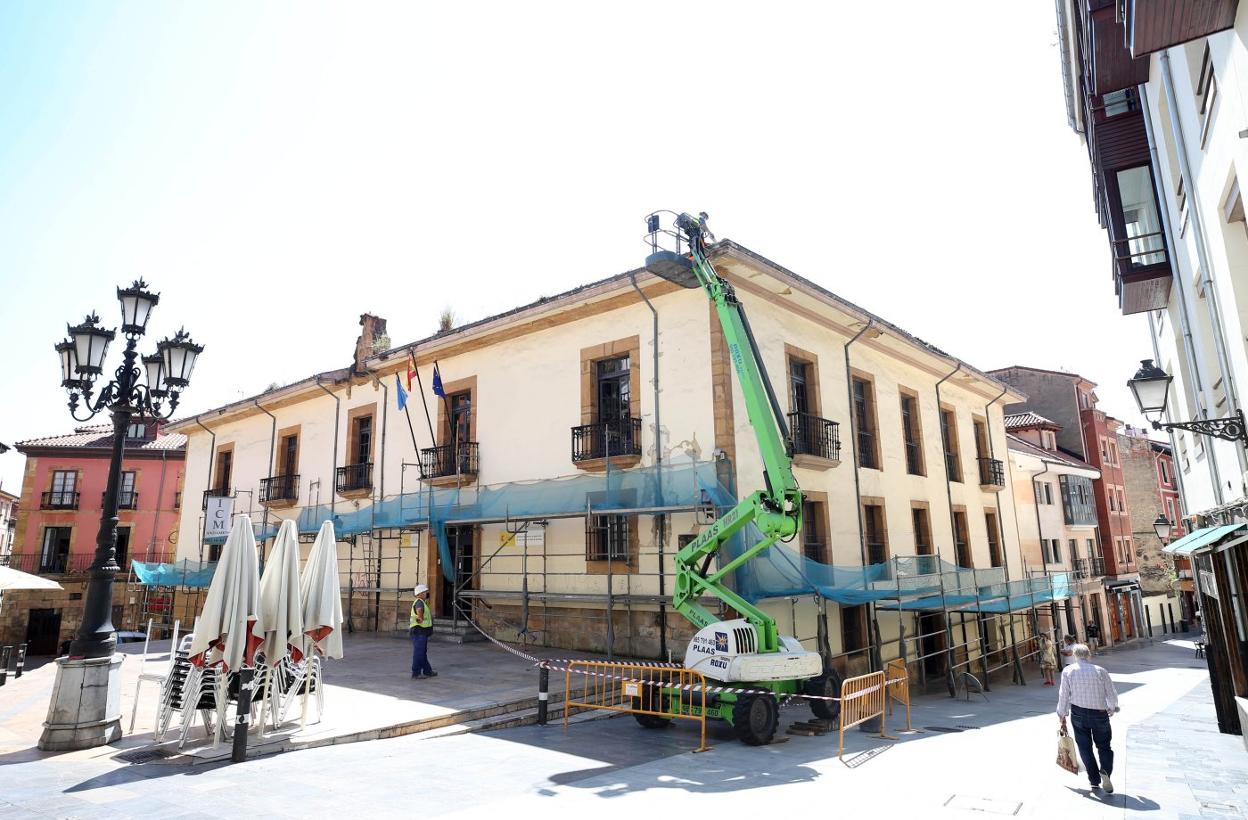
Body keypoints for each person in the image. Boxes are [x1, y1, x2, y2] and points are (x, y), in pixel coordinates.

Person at [1056, 643, 1120, 793]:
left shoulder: (1068, 671)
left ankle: (1094, 780)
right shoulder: (1100, 671)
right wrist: (1112, 707)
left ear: (1074, 655)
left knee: (1085, 747)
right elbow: (1111, 693)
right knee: (1104, 746)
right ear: (1088, 655)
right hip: (1099, 713)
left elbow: (1064, 695)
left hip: (1078, 713)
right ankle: (1105, 771)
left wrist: (1062, 714)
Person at [409, 584, 437, 679]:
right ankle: (416, 673)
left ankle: (427, 671)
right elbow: (419, 610)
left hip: (422, 632)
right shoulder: (419, 602)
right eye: (425, 592)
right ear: (420, 593)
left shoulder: (422, 602)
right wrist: (420, 617)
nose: (426, 593)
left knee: (422, 652)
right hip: (419, 631)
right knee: (419, 653)